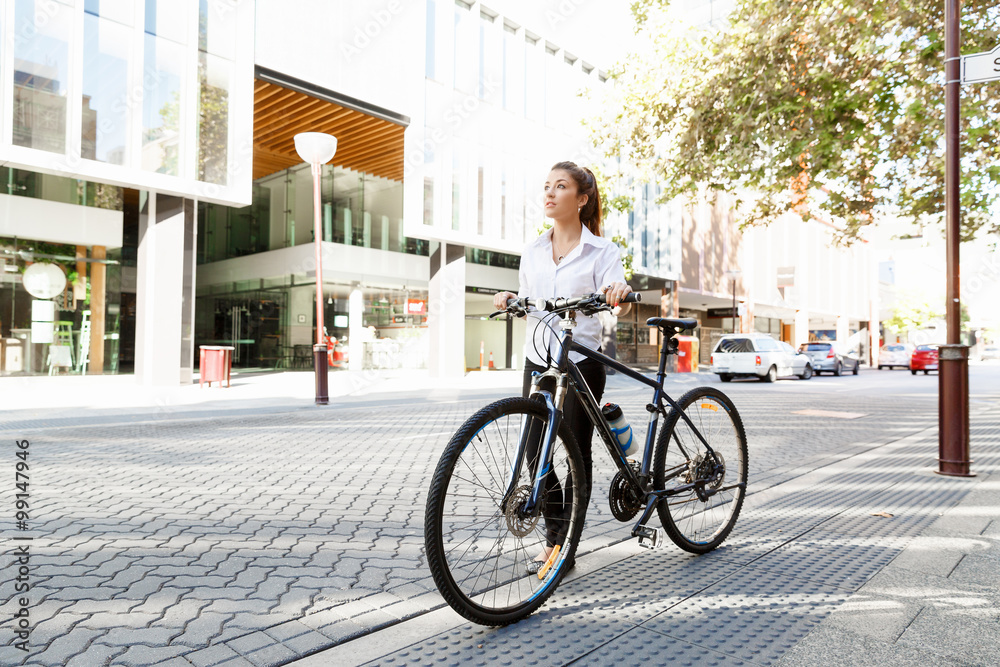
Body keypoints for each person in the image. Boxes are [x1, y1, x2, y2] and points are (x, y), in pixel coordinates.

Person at [493, 160, 632, 573]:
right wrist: (509, 300)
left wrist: (617, 291)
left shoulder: (602, 251)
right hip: (538, 360)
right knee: (536, 455)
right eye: (546, 186)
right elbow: (527, 300)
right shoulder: (533, 250)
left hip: (580, 362)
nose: (549, 193)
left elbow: (614, 295)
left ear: (582, 198)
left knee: (576, 454)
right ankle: (555, 530)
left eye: (561, 186)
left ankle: (564, 544)